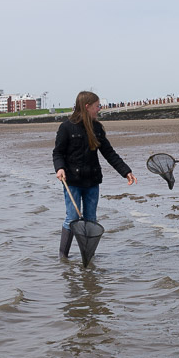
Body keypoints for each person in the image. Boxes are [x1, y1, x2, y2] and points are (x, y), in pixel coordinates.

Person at [53, 91, 136, 259]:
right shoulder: (66, 127)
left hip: (92, 181)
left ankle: (87, 256)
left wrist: (125, 171)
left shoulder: (97, 128)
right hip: (72, 181)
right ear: (87, 107)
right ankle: (63, 257)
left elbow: (109, 153)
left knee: (91, 219)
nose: (99, 109)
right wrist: (59, 168)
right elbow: (58, 153)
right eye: (97, 106)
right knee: (72, 217)